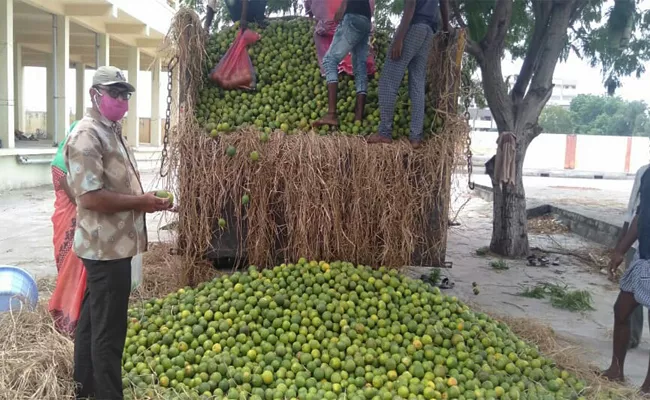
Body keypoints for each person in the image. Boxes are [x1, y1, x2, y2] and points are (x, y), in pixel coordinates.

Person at [66, 66, 171, 400]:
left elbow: (117, 185)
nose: (122, 100)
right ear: (95, 95)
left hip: (113, 247)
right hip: (104, 249)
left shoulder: (110, 131)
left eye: (125, 94)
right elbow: (89, 196)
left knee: (91, 323)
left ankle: (84, 390)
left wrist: (146, 200)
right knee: (109, 332)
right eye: (115, 93)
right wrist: (141, 201)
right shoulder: (87, 135)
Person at [366, 0, 449, 148]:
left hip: (414, 27)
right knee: (417, 83)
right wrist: (447, 29)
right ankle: (416, 137)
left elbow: (410, 5)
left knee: (388, 81)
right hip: (429, 31)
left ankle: (384, 132)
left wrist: (399, 38)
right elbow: (444, 3)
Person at [603, 165, 650, 392]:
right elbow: (640, 216)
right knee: (621, 311)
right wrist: (620, 250)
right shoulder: (647, 174)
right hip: (643, 259)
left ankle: (648, 387)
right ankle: (616, 370)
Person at [49, 120, 85, 337]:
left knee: (82, 271)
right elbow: (78, 198)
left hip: (81, 221)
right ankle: (65, 319)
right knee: (69, 270)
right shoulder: (61, 163)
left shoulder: (77, 161)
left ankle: (79, 315)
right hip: (68, 222)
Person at [312, 0, 373, 128]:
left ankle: (332, 114)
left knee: (329, 60)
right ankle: (358, 116)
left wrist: (340, 11)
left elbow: (343, 7)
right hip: (366, 20)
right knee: (360, 66)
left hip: (352, 17)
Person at [620, 164, 650, 349]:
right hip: (640, 248)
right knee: (626, 304)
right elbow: (634, 210)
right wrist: (620, 247)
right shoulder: (645, 171)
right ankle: (631, 337)